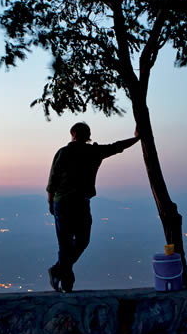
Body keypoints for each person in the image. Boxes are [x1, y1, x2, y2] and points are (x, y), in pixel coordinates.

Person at [47, 122, 139, 293]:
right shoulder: (68, 153)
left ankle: (59, 270)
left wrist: (136, 139)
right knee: (70, 243)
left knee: (79, 241)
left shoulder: (90, 152)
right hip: (67, 202)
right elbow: (53, 178)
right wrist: (51, 201)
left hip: (74, 202)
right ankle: (65, 281)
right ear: (74, 133)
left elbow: (116, 147)